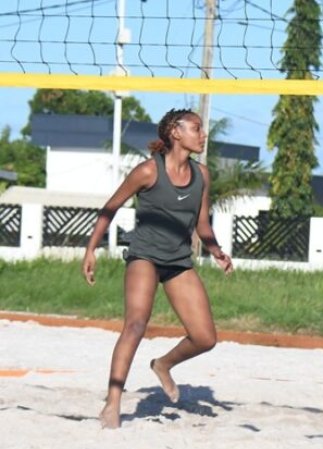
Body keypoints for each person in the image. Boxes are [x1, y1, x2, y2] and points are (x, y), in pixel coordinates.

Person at [81, 108, 233, 429]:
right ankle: (113, 402)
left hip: (178, 261)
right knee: (136, 324)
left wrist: (216, 250)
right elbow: (110, 208)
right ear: (176, 132)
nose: (203, 134)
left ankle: (162, 365)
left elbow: (202, 223)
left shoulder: (202, 175)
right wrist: (91, 249)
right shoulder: (148, 171)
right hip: (145, 258)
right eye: (196, 128)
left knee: (205, 337)